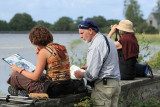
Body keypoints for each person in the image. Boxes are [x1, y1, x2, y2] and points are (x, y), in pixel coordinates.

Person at [7, 26, 85, 97]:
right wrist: (39, 55)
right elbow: (52, 68)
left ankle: (22, 90)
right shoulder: (62, 47)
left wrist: (19, 69)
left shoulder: (44, 51)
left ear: (34, 41)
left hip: (53, 89)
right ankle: (22, 90)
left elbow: (35, 77)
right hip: (67, 85)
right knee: (40, 75)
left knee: (15, 75)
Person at [74, 20, 121, 107]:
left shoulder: (96, 45)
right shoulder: (107, 39)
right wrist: (89, 67)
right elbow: (107, 61)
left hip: (104, 87)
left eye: (82, 33)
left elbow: (92, 75)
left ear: (90, 30)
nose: (80, 36)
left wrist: (81, 74)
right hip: (115, 84)